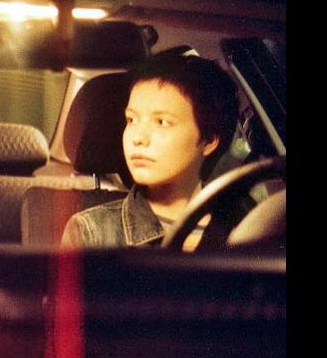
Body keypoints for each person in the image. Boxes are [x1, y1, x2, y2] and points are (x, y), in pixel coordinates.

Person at [61, 54, 239, 251]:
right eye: (131, 120)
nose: (138, 138)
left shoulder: (247, 231)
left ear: (209, 140)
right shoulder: (93, 231)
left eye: (162, 122)